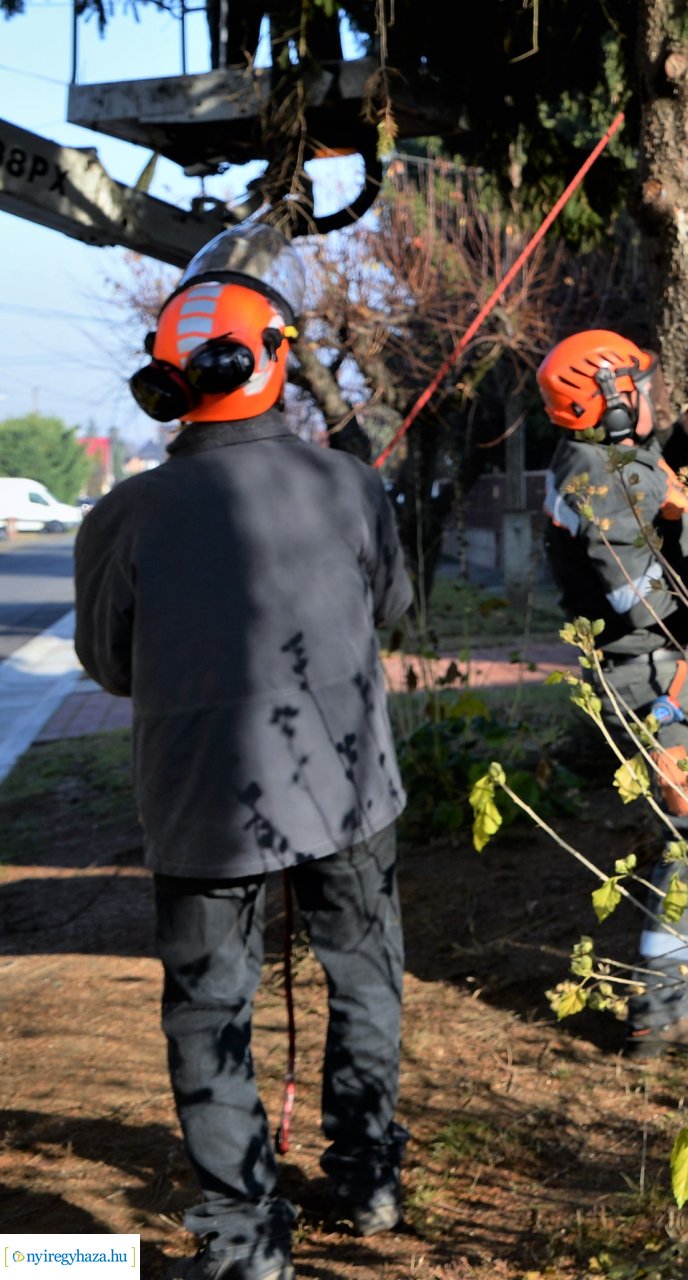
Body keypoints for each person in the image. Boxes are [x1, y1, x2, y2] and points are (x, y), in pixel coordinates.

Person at [76, 219, 412, 1278]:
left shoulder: (122, 515)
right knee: (363, 978)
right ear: (271, 359)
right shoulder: (352, 485)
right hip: (350, 793)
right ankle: (367, 1180)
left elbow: (112, 666)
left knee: (210, 1008)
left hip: (199, 810)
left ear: (169, 384)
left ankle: (242, 1234)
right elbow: (392, 609)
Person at [538, 329, 688, 1057]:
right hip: (647, 678)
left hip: (651, 671)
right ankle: (666, 1010)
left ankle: (678, 987)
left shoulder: (594, 459)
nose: (649, 399)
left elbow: (646, 479)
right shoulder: (598, 481)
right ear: (607, 400)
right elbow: (644, 600)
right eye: (638, 389)